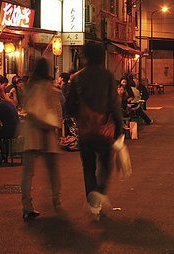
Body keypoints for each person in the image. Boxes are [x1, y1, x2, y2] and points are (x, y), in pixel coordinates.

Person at [66, 42, 123, 220]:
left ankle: (94, 206)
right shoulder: (107, 76)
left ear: (85, 56)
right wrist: (119, 129)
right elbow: (115, 104)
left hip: (85, 131)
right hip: (105, 130)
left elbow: (68, 106)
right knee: (105, 167)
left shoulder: (76, 78)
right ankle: (99, 193)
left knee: (88, 168)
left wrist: (81, 117)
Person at [20, 58, 62, 222]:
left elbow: (28, 109)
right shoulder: (49, 89)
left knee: (28, 172)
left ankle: (27, 206)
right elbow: (56, 114)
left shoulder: (29, 87)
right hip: (47, 132)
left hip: (31, 132)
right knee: (53, 170)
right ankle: (56, 200)